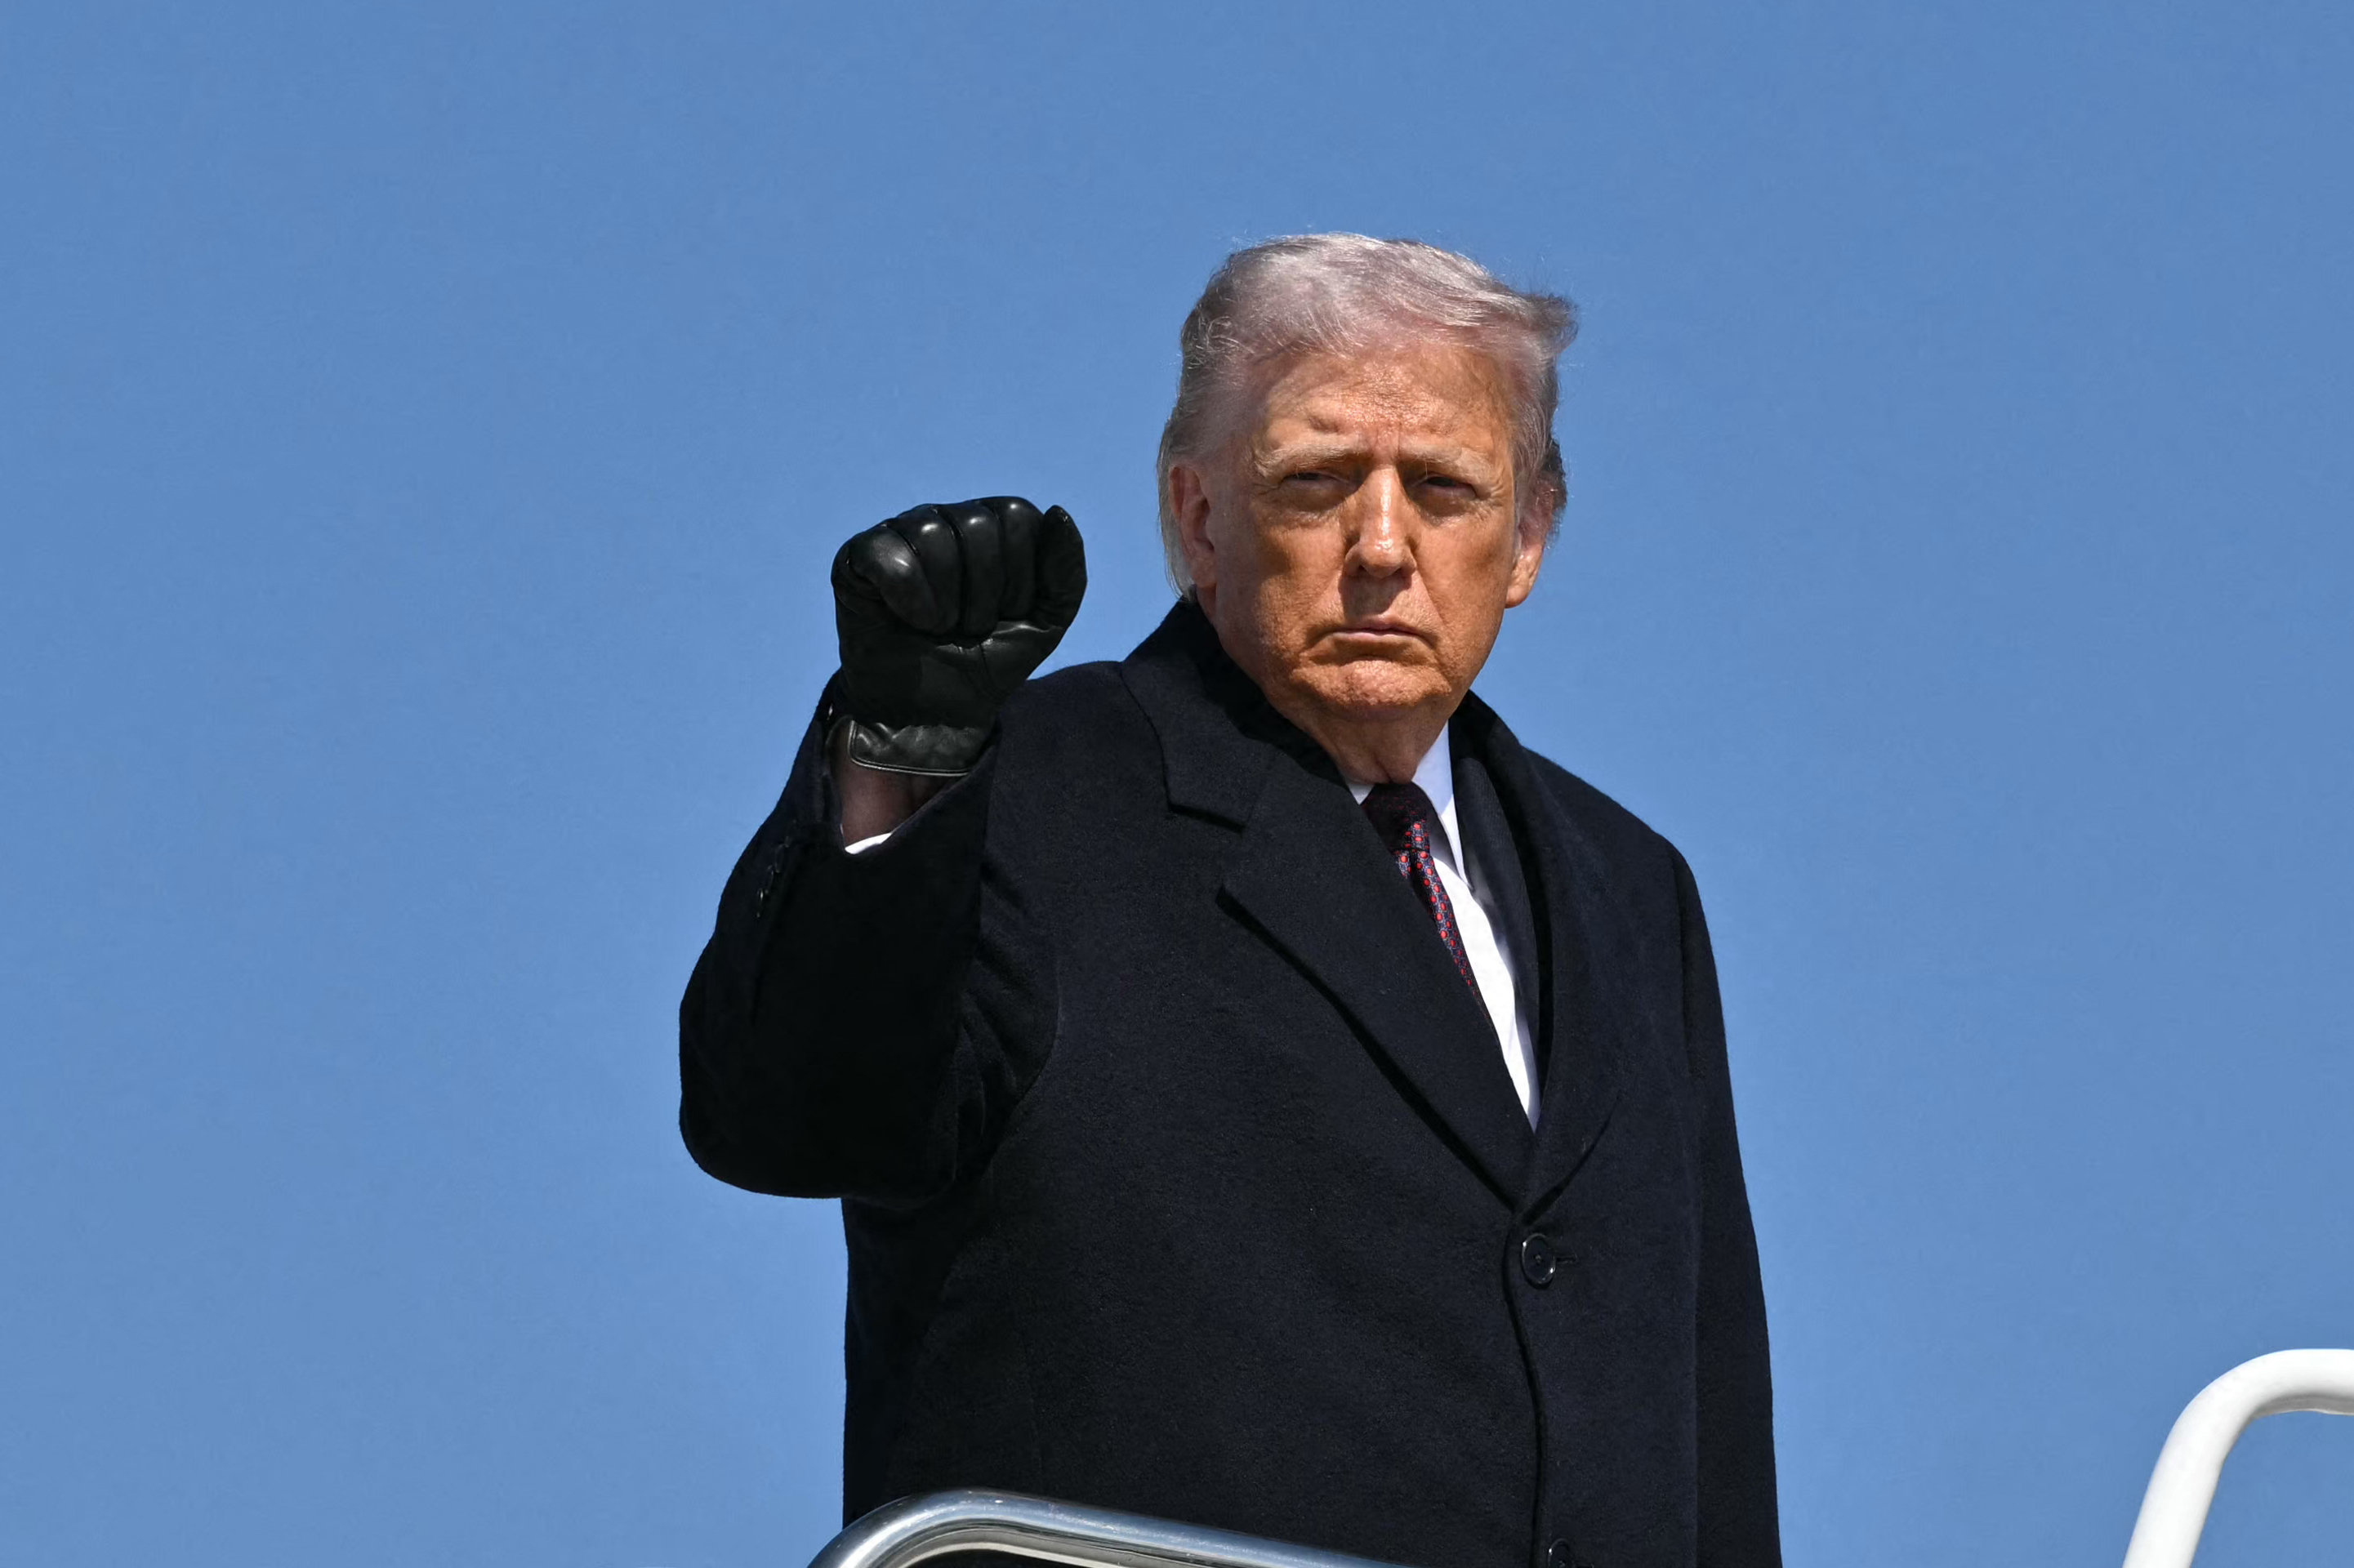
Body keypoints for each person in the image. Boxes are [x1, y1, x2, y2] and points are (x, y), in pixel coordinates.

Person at [680, 234, 1780, 1568]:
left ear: (1529, 534)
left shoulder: (1626, 883)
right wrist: (904, 758)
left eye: (1442, 487)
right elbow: (793, 1118)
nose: (1383, 545)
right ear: (1197, 516)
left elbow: (1705, 1407)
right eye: (1317, 483)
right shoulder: (1025, 790)